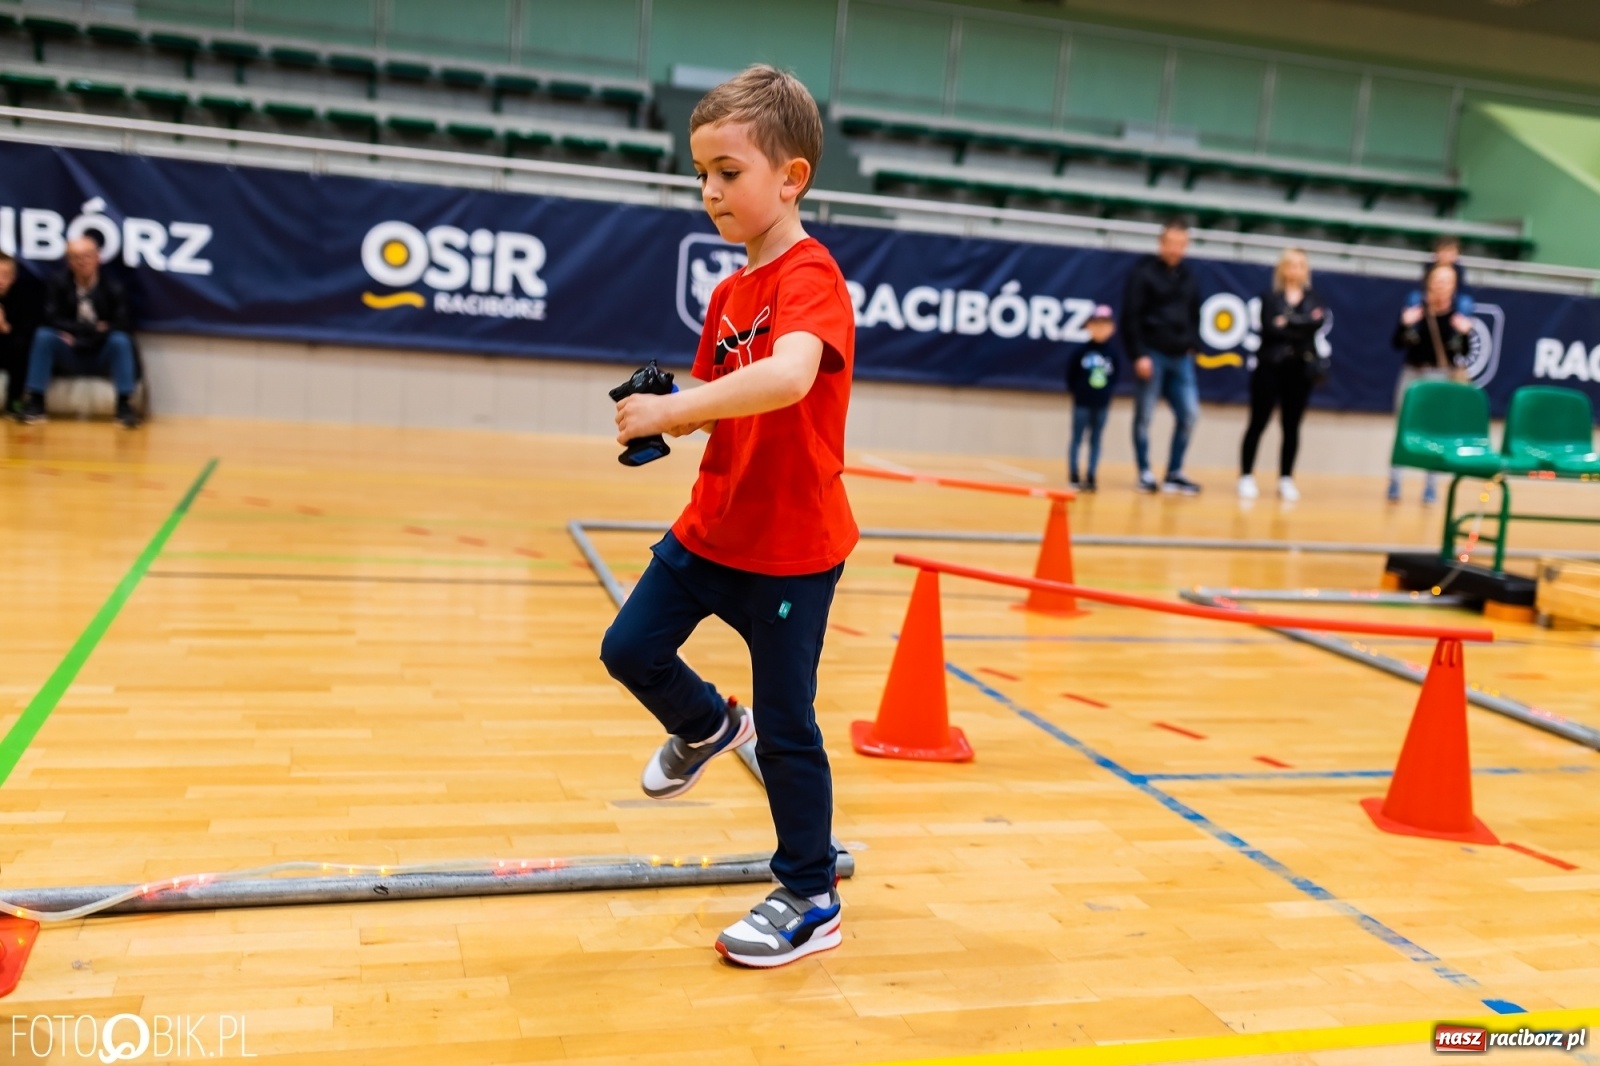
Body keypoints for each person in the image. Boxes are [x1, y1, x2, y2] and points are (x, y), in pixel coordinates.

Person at [599, 65, 854, 969]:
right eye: (700, 173)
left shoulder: (810, 274)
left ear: (790, 178)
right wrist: (672, 404)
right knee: (628, 650)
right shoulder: (727, 293)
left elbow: (788, 377)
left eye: (728, 171)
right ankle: (707, 725)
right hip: (715, 526)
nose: (709, 190)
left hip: (792, 548)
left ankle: (810, 894)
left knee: (790, 726)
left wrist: (672, 413)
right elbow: (720, 396)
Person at [18, 235, 141, 428]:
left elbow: (122, 323)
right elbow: (51, 318)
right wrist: (93, 329)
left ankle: (124, 406)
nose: (82, 261)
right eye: (76, 257)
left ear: (98, 258)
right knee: (44, 336)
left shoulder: (113, 287)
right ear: (69, 261)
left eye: (87, 256)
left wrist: (83, 335)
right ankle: (35, 403)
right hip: (69, 351)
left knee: (120, 340)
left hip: (101, 351)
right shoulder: (58, 283)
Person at [1239, 248, 1326, 502]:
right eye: (1290, 264)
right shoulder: (1270, 297)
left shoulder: (1314, 298)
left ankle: (1286, 477)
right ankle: (1246, 475)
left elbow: (1314, 326)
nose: (1294, 270)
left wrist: (1287, 323)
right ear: (1282, 268)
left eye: (1300, 265)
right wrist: (1300, 323)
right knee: (1258, 421)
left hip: (1300, 369)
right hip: (1270, 366)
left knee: (1292, 425)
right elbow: (1269, 328)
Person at [1122, 218, 1202, 495]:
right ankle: (1144, 471)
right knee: (1144, 415)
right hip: (1152, 354)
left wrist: (1193, 343)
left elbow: (1195, 313)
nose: (1176, 249)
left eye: (1182, 244)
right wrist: (1139, 354)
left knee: (1190, 414)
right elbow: (1130, 317)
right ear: (1161, 243)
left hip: (1181, 357)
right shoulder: (1144, 274)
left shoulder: (1189, 276)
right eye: (1171, 243)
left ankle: (1174, 472)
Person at [1389, 263, 1473, 504]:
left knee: (1435, 431)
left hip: (1441, 376)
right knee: (1403, 427)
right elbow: (1396, 343)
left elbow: (1464, 353)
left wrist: (1466, 333)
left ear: (1454, 287)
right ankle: (1395, 481)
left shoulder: (1458, 316)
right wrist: (1405, 324)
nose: (1441, 285)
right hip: (1413, 374)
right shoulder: (1415, 310)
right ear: (1428, 283)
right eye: (1437, 280)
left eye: (1447, 281)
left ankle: (1431, 485)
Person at [1065, 304, 1119, 492]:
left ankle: (1091, 475)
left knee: (1096, 439)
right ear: (1088, 325)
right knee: (1077, 438)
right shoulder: (1081, 353)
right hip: (1082, 403)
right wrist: (1079, 392)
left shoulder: (1112, 355)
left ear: (1112, 328)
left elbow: (1115, 378)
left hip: (1102, 404)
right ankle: (1073, 474)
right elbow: (1071, 376)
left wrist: (1105, 394)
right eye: (1096, 324)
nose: (1100, 329)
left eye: (1105, 325)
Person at [0, 251, 42, 420]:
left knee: (21, 349)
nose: (0, 281)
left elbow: (27, 331)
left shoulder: (24, 297)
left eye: (5, 275)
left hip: (11, 348)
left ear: (14, 277)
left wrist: (5, 327)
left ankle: (15, 403)